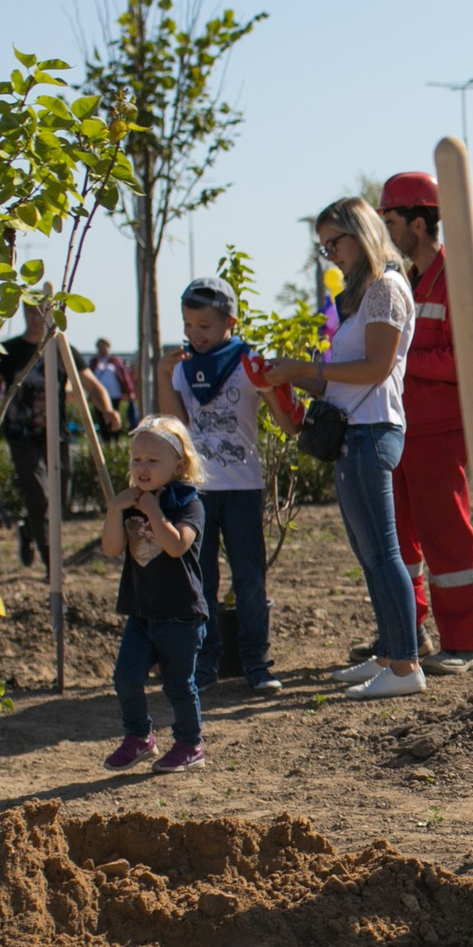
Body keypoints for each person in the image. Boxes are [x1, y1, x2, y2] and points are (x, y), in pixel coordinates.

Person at [265, 197, 425, 701]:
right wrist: (285, 375)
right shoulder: (362, 295)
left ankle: (406, 663)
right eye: (324, 248)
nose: (330, 254)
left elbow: (375, 369)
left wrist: (302, 371)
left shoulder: (385, 289)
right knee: (370, 553)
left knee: (384, 552)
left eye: (335, 243)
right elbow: (344, 383)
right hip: (356, 429)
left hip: (372, 430)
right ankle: (389, 654)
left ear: (362, 232)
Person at [157, 274, 290, 695]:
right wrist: (164, 376)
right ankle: (207, 662)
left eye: (205, 326)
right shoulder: (182, 370)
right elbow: (176, 426)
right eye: (188, 325)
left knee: (249, 578)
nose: (195, 335)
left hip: (243, 487)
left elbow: (282, 414)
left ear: (229, 323)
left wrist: (271, 384)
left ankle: (256, 662)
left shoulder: (247, 364)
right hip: (198, 491)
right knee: (201, 580)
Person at [376, 170, 473, 673]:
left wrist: (397, 358)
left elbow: (465, 360)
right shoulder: (406, 280)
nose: (384, 229)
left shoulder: (457, 277)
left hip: (439, 431)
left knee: (447, 537)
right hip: (401, 427)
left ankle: (464, 644)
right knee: (401, 541)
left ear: (418, 223)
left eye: (390, 219)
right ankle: (407, 634)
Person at [99, 418, 211, 772]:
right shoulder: (130, 502)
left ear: (178, 466)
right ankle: (139, 737)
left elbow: (177, 546)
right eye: (136, 460)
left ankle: (190, 744)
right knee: (126, 678)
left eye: (152, 460)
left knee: (179, 684)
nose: (142, 468)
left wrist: (154, 512)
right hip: (142, 611)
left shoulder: (188, 503)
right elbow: (113, 548)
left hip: (182, 613)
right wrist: (115, 510)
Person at [0, 303, 118, 568]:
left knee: (60, 499)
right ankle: (54, 567)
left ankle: (28, 529)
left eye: (42, 312)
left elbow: (90, 384)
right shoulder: (11, 351)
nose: (36, 318)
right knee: (39, 498)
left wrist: (107, 410)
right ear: (23, 313)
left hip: (58, 436)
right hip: (23, 436)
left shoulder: (62, 348)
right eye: (30, 311)